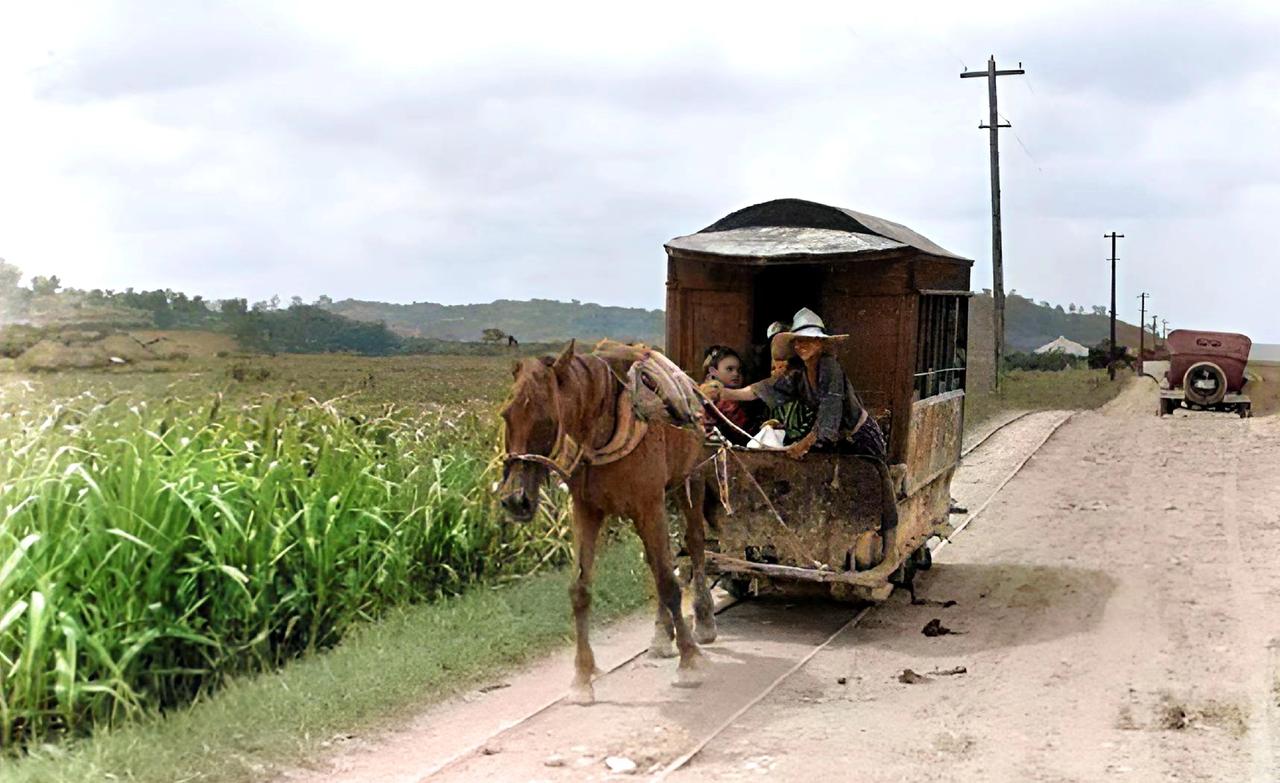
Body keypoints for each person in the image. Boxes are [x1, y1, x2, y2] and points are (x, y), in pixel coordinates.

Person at [705, 308, 898, 556]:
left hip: (860, 436)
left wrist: (804, 443)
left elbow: (830, 413)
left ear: (820, 343)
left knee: (877, 484)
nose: (802, 346)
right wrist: (723, 393)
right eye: (798, 341)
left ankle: (889, 545)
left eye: (809, 340)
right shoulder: (797, 375)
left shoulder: (830, 369)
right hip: (829, 439)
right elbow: (760, 390)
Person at [700, 344, 751, 441]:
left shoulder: (744, 401)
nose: (736, 374)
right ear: (713, 372)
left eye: (739, 370)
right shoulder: (704, 397)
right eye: (729, 369)